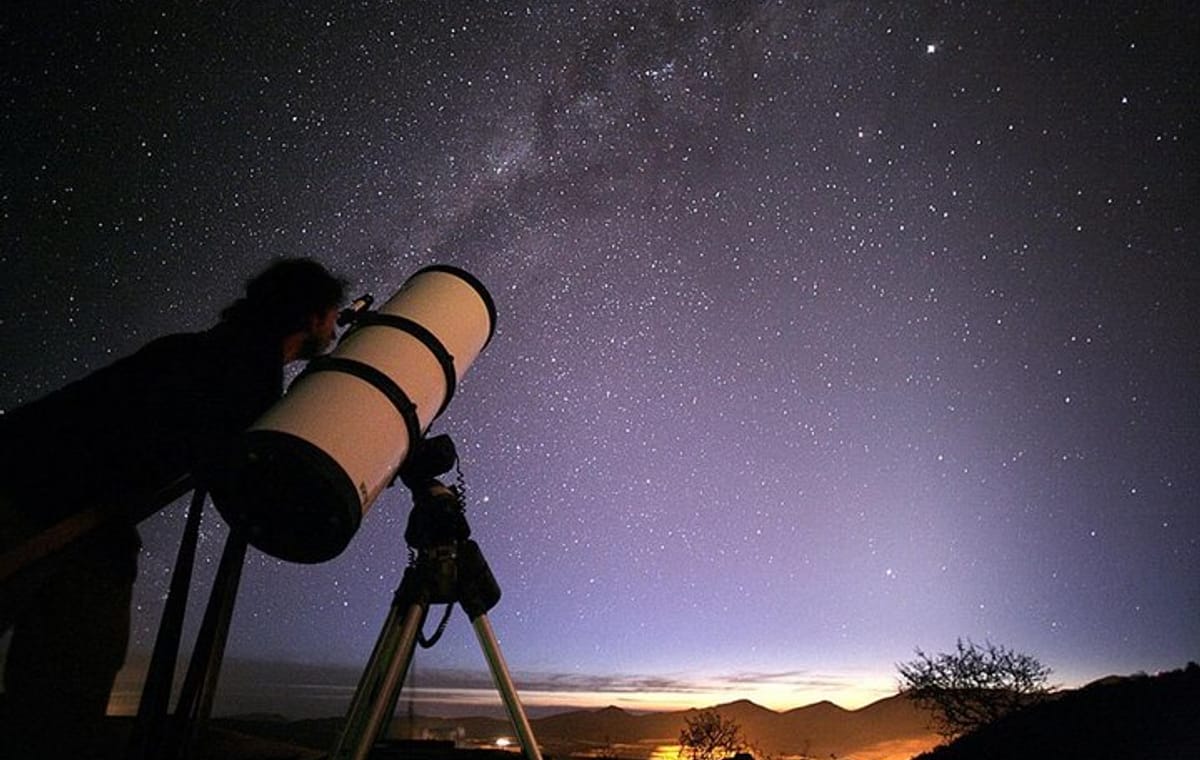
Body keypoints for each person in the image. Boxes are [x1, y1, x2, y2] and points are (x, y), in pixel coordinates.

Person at [0, 258, 345, 758]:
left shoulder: (208, 348)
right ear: (312, 317)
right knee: (65, 698)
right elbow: (245, 481)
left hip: (65, 503)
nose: (335, 330)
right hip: (46, 505)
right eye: (333, 319)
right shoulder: (246, 373)